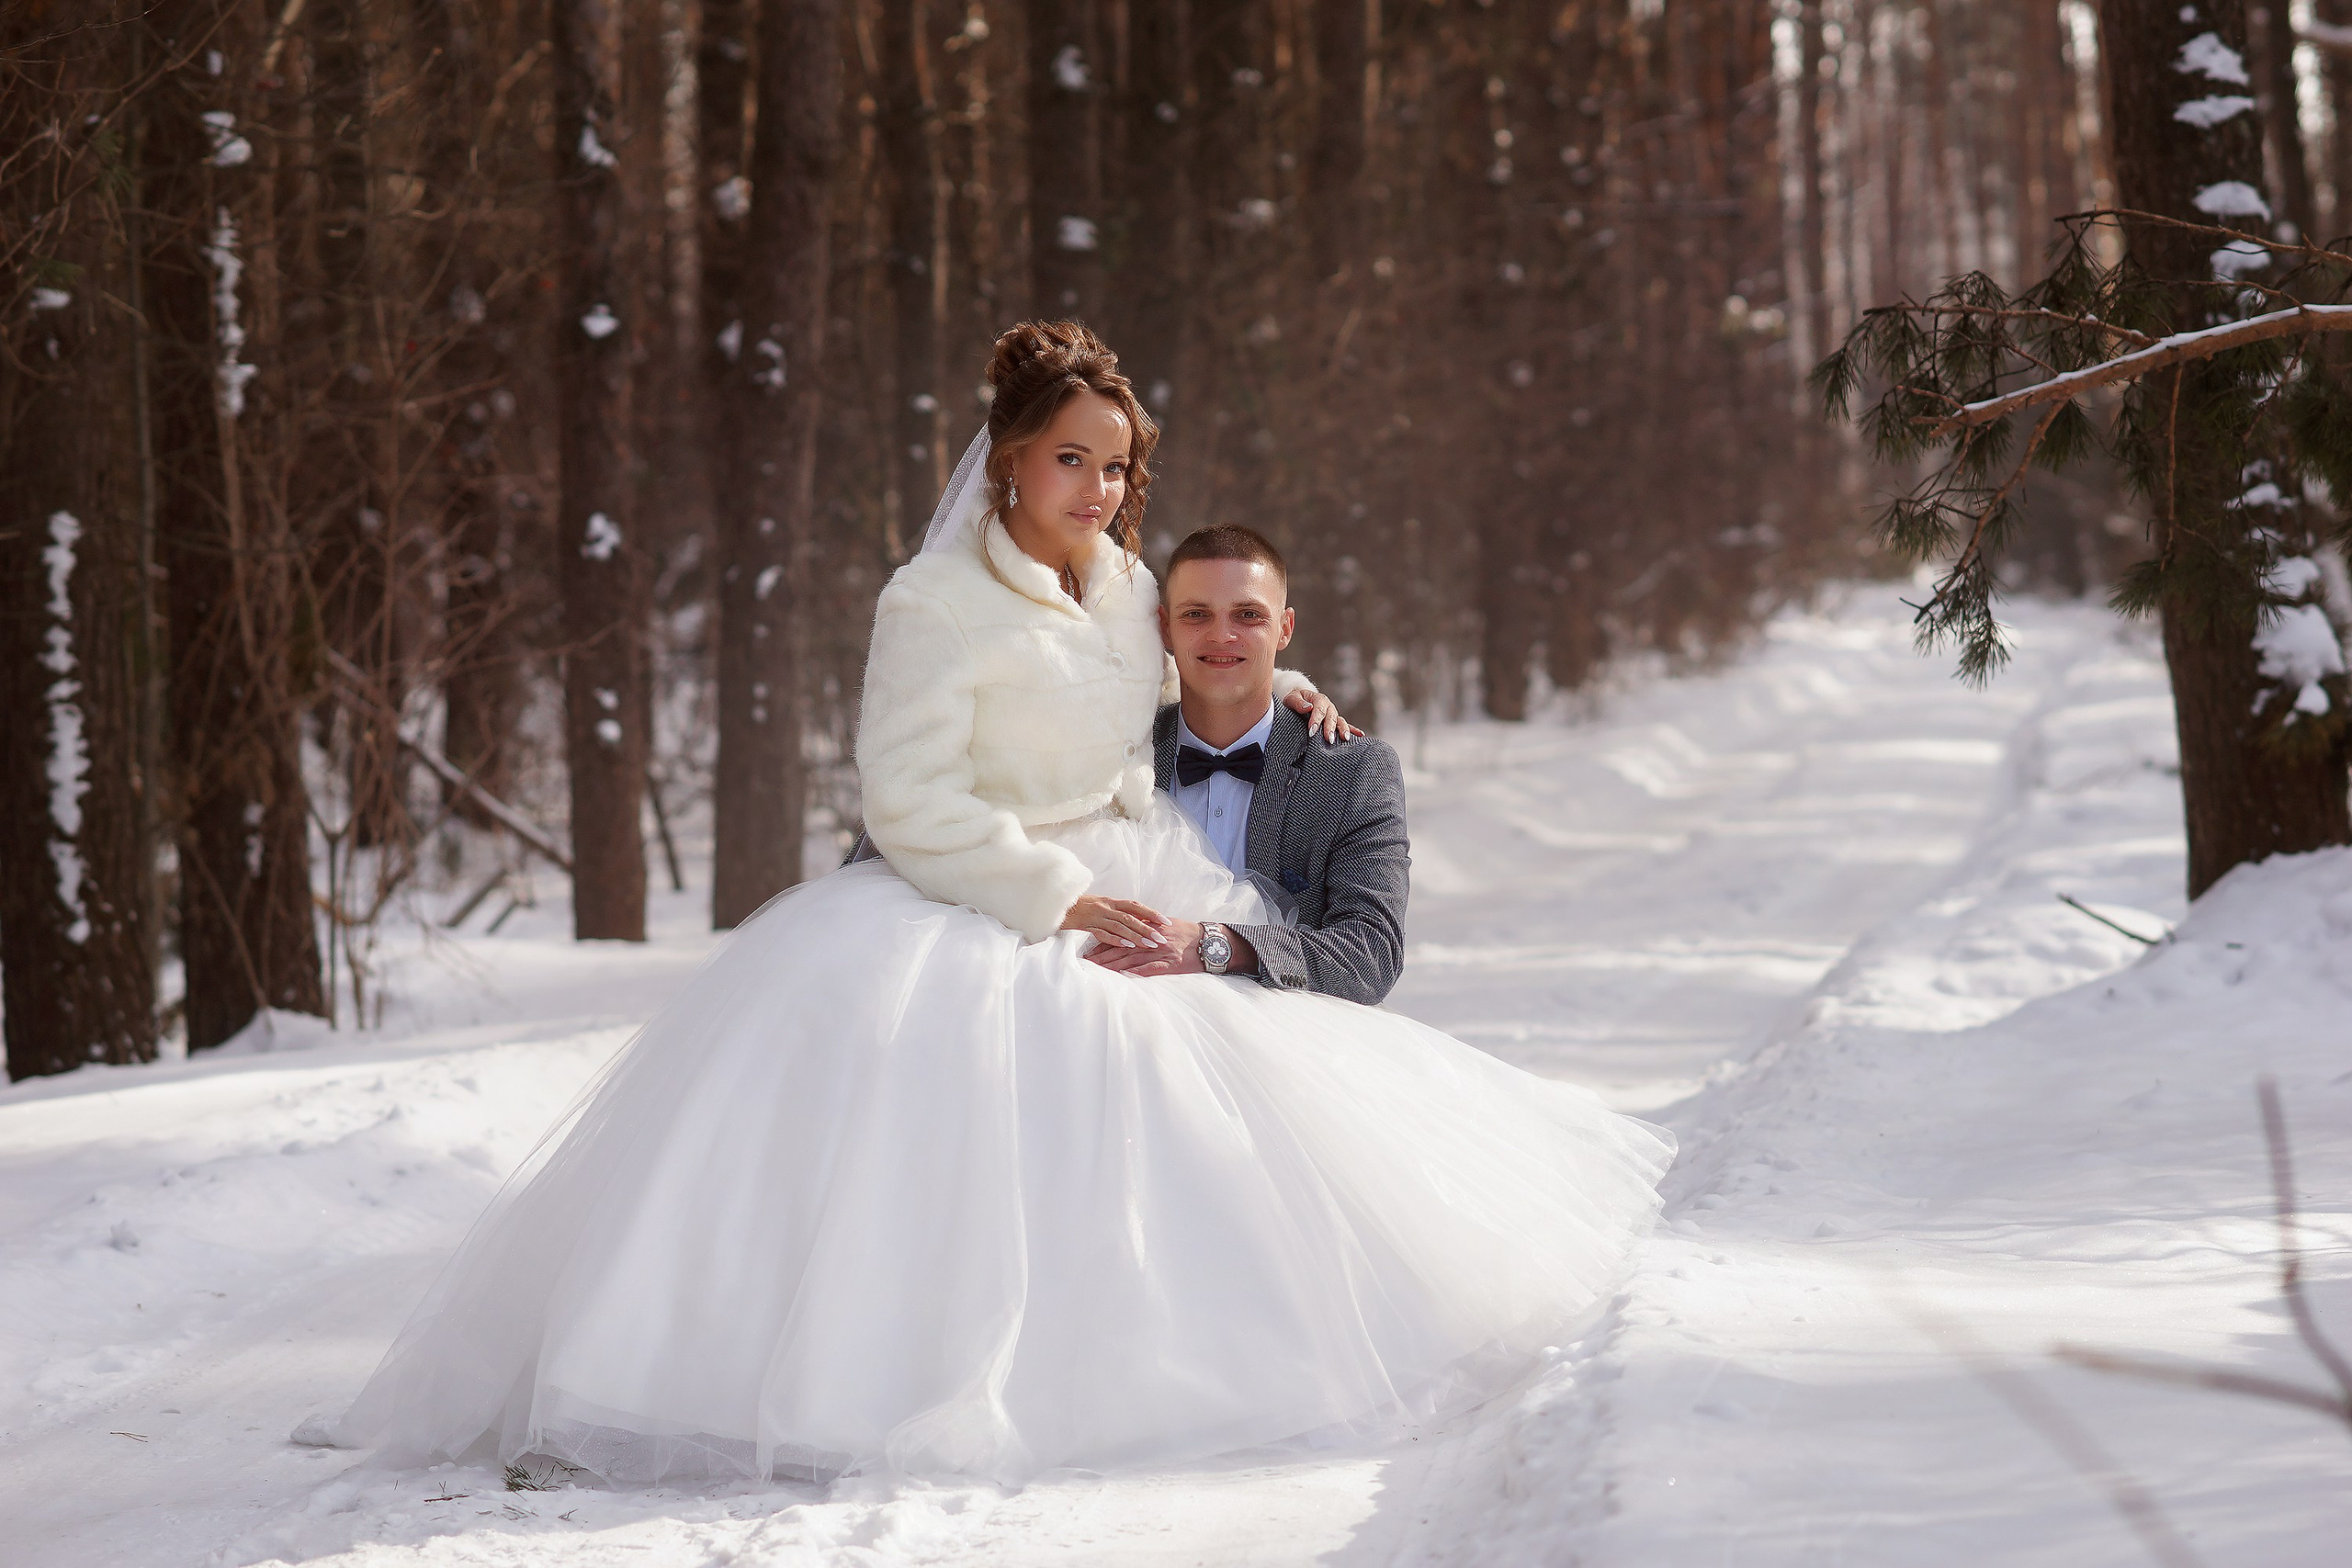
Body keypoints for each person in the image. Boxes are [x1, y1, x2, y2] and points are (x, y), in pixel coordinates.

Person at [315, 321, 1673, 1489]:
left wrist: (1289, 695)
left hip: (1126, 869)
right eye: (1072, 456)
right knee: (926, 1142)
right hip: (965, 896)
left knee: (1212, 1091)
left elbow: (1183, 678)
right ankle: (751, 1385)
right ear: (1010, 457)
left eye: (1118, 463)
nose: (1098, 484)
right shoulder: (934, 602)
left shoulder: (1128, 587)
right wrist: (1061, 900)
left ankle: (1173, 1359)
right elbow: (910, 802)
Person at [1087, 525, 1407, 1004]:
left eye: (1248, 614)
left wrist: (1216, 947)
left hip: (1290, 1042)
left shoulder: (1353, 768)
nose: (1222, 635)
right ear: (1164, 627)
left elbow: (1370, 958)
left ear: (1285, 628)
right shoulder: (1114, 752)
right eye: (1197, 614)